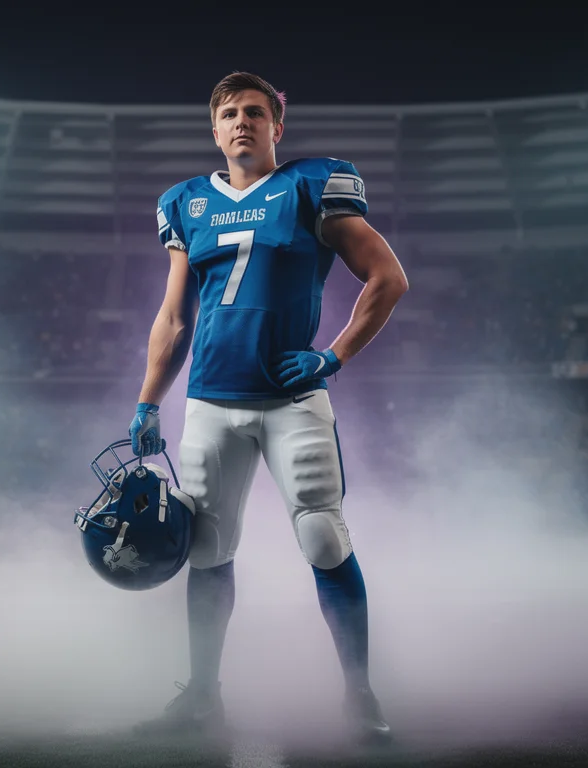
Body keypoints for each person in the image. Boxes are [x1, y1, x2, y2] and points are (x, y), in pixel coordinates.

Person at [128, 71, 409, 743]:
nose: (243, 122)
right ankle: (201, 696)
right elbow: (173, 317)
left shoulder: (313, 184)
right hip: (210, 402)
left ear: (277, 125)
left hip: (292, 399)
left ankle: (360, 694)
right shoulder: (186, 202)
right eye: (230, 113)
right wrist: (146, 402)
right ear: (215, 129)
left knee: (322, 536)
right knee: (206, 552)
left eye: (256, 112)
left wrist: (333, 355)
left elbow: (388, 277)